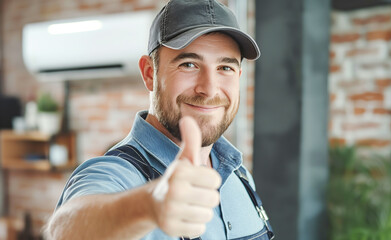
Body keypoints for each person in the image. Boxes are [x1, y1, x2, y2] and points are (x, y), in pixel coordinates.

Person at [45, 0, 274, 239]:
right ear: (149, 74)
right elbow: (66, 228)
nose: (210, 89)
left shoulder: (240, 174)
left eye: (225, 67)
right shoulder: (117, 174)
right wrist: (149, 206)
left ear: (238, 75)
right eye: (189, 64)